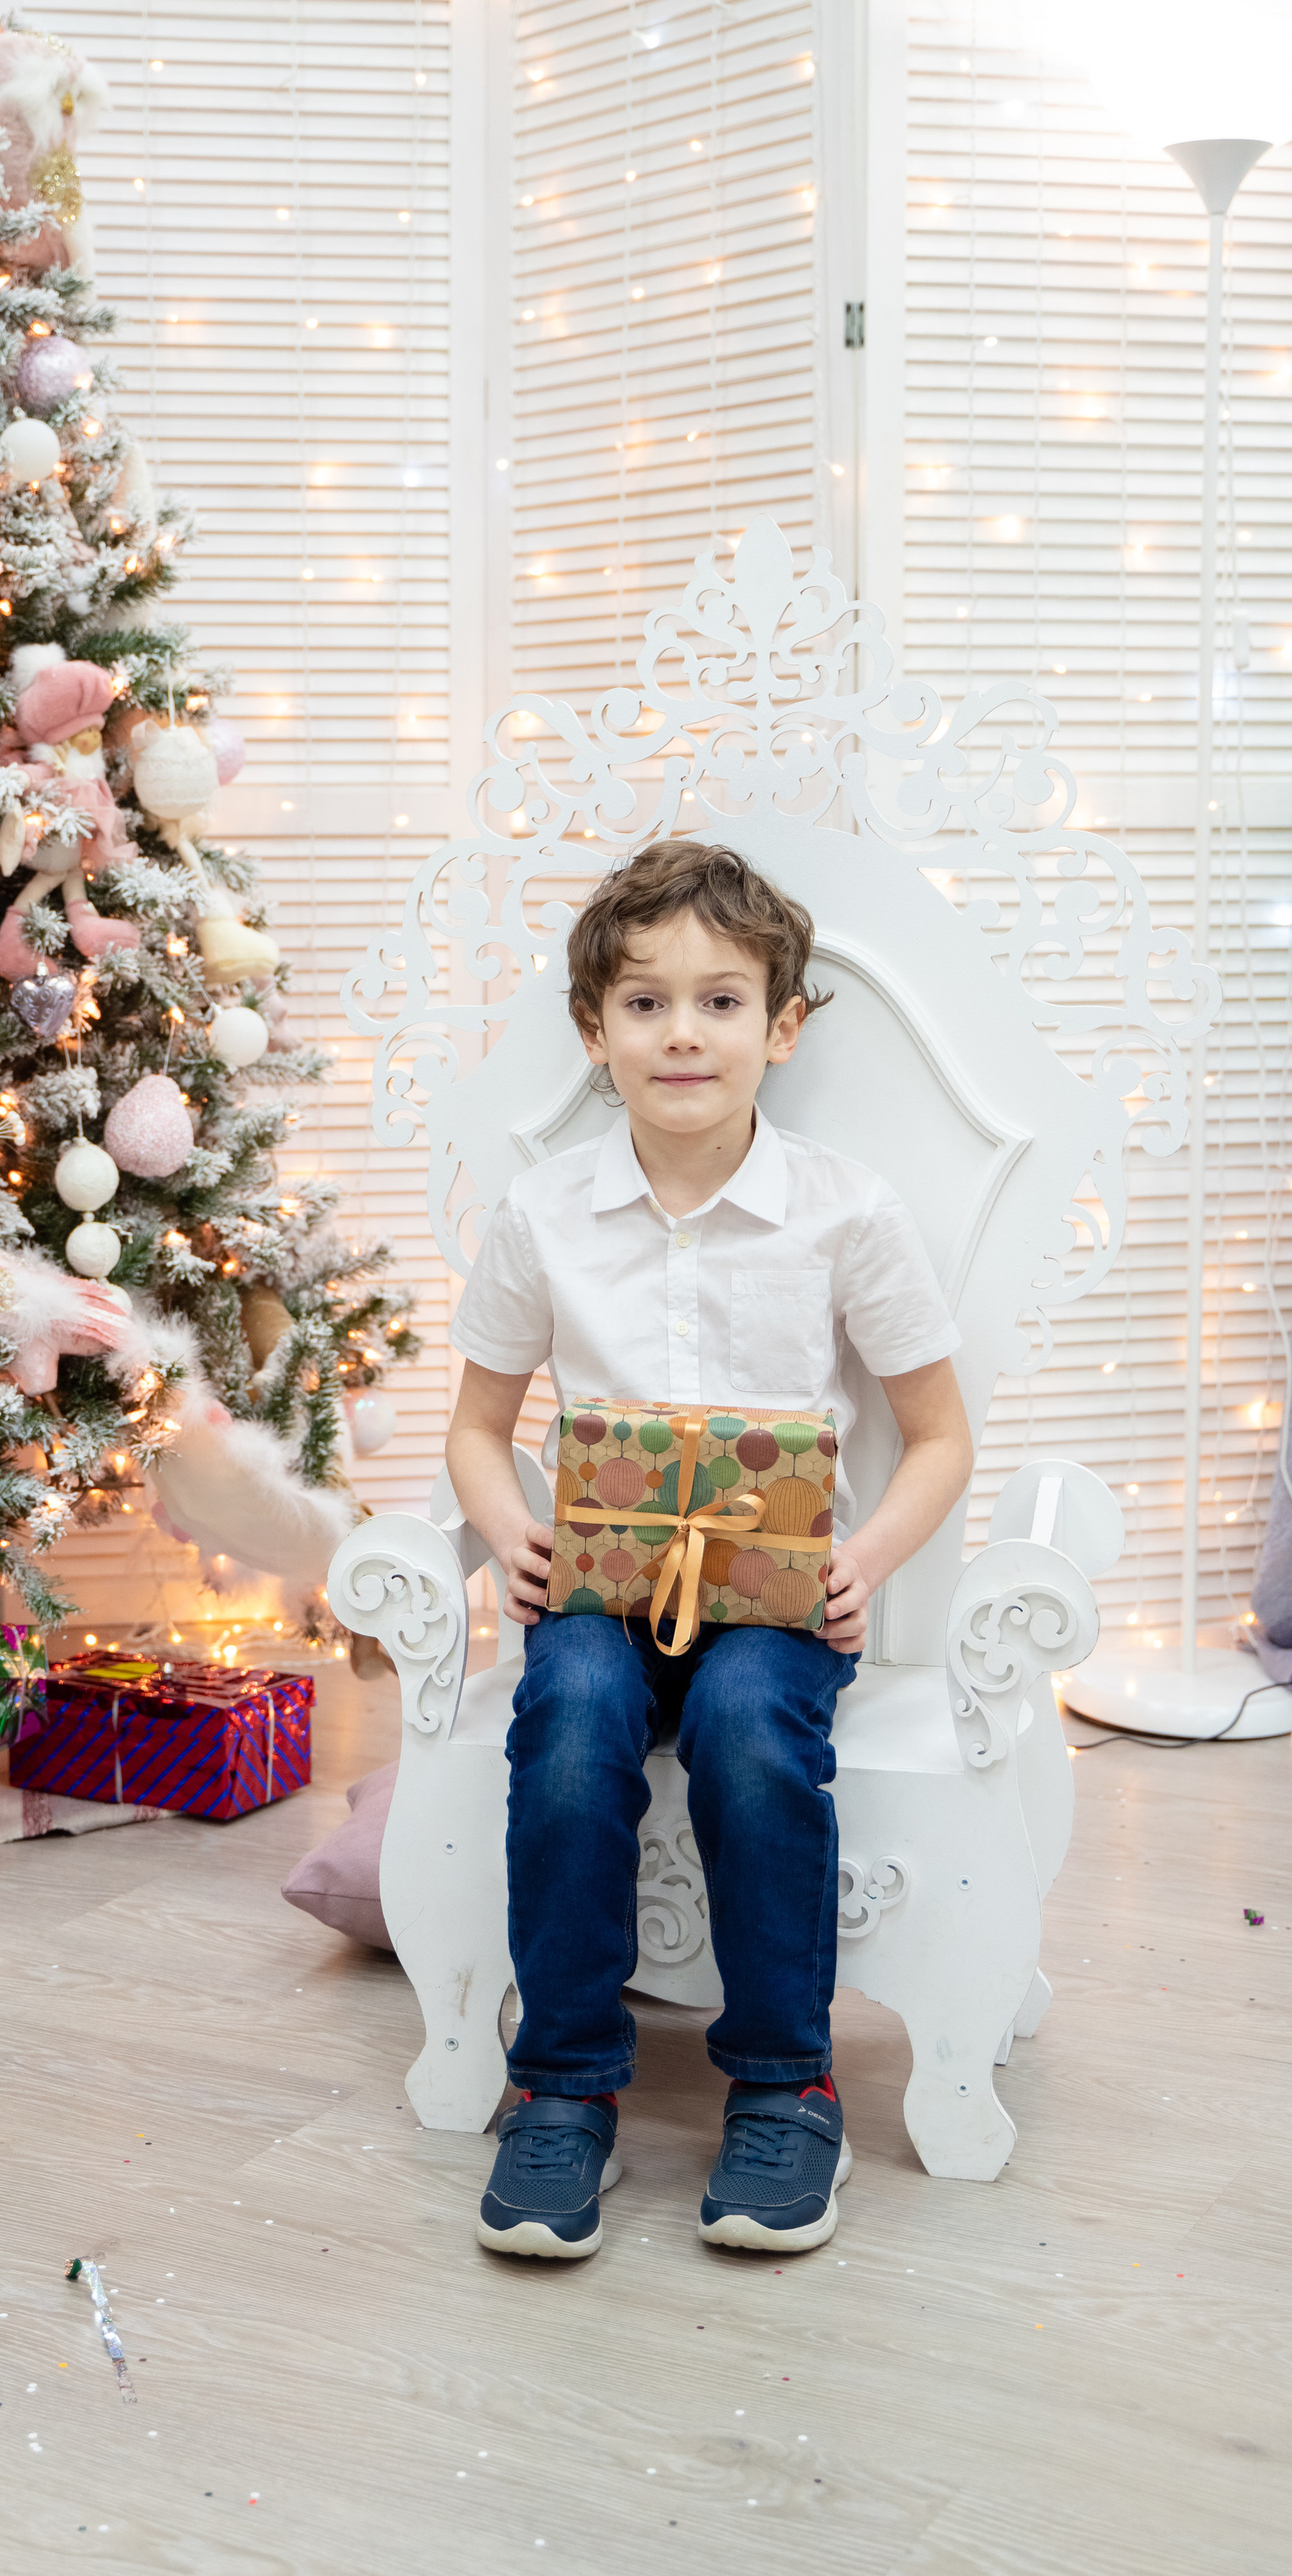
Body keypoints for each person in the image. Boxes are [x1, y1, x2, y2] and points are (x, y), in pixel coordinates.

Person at [445, 838, 973, 2260]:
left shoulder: (848, 1212)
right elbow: (478, 1430)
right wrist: (510, 1532)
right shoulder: (544, 1214)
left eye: (721, 1001)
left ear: (781, 1029)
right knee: (571, 1714)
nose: (683, 1033)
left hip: (774, 1605)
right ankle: (563, 2087)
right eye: (645, 1003)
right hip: (602, 1598)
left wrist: (864, 1561)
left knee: (748, 1726)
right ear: (594, 1031)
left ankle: (787, 2086)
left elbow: (940, 1438)